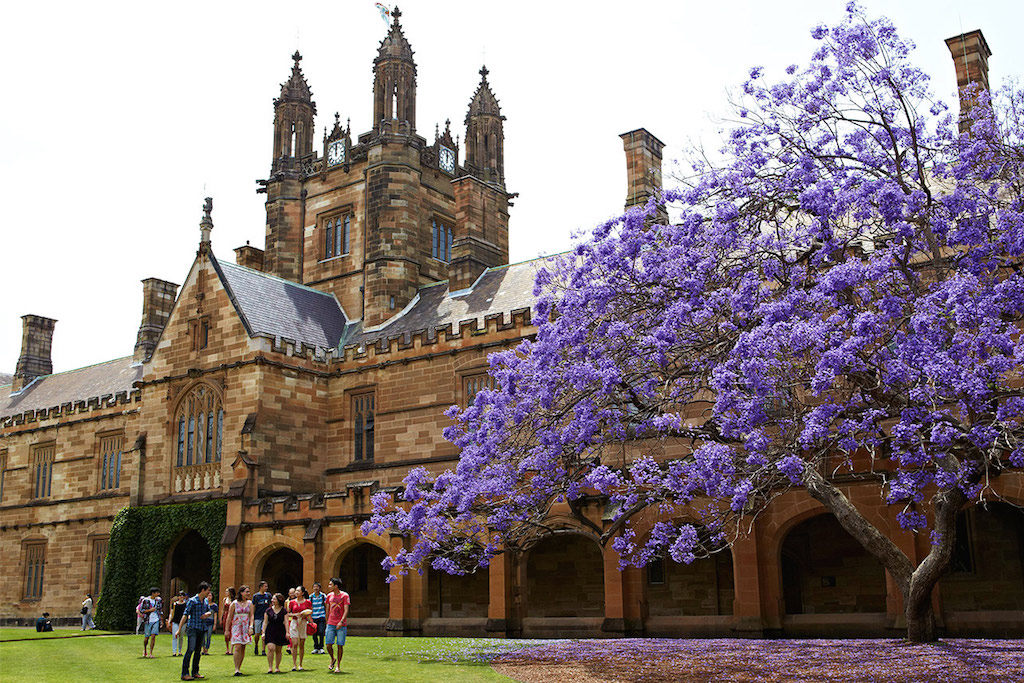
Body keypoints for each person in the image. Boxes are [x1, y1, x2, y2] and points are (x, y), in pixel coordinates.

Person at [179, 580, 213, 681]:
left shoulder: (205, 601)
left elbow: (208, 612)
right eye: (208, 591)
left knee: (198, 651)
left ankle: (195, 672)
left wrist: (207, 614)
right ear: (202, 590)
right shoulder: (192, 601)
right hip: (193, 628)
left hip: (202, 628)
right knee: (190, 650)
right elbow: (185, 614)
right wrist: (179, 629)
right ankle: (185, 673)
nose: (209, 593)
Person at [226, 584, 254, 676]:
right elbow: (229, 617)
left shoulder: (250, 603)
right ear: (241, 593)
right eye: (246, 592)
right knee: (237, 646)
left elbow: (252, 616)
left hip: (245, 627)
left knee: (243, 647)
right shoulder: (234, 604)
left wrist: (251, 626)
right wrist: (227, 630)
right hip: (236, 627)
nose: (248, 593)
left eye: (249, 592)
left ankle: (239, 667)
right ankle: (236, 669)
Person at [324, 577, 350, 674]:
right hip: (331, 623)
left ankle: (338, 666)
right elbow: (327, 609)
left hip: (341, 625)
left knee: (340, 645)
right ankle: (332, 659)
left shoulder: (345, 596)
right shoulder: (329, 596)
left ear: (336, 586)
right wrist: (327, 621)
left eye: (330, 584)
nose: (329, 586)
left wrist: (341, 621)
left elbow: (346, 610)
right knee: (328, 644)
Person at [260, 593, 288, 674]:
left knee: (278, 650)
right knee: (271, 648)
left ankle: (277, 667)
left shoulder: (284, 611)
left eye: (274, 599)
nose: (272, 600)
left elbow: (286, 622)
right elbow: (265, 622)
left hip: (280, 631)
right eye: (272, 599)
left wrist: (287, 632)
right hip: (270, 631)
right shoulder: (268, 610)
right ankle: (270, 667)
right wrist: (263, 632)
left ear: (279, 600)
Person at [287, 586, 312, 671]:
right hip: (294, 622)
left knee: (302, 644)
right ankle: (294, 664)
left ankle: (300, 664)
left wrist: (310, 621)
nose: (296, 592)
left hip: (303, 623)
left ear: (303, 593)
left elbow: (309, 613)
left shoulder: (308, 602)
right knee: (294, 643)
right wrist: (295, 615)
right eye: (296, 591)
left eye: (298, 591)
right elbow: (287, 613)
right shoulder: (292, 602)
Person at [141, 586, 162, 658]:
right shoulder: (145, 600)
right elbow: (142, 610)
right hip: (148, 620)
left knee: (153, 636)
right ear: (153, 593)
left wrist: (161, 620)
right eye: (157, 593)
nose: (158, 594)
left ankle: (151, 653)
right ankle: (145, 649)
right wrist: (149, 610)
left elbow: (160, 611)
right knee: (147, 637)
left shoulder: (158, 600)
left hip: (156, 619)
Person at [251, 580, 271, 657]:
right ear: (261, 587)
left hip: (265, 617)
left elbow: (270, 606)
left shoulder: (268, 595)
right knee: (257, 634)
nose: (267, 588)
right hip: (257, 617)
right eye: (265, 586)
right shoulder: (256, 596)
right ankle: (256, 645)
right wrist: (252, 616)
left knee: (264, 633)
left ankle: (263, 650)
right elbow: (253, 607)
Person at [167, 591, 187, 656]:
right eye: (180, 596)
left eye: (182, 596)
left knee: (181, 636)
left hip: (183, 622)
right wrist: (169, 621)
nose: (181, 597)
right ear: (178, 597)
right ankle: (174, 651)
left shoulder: (186, 604)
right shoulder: (174, 604)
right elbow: (171, 613)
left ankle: (180, 651)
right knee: (174, 636)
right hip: (175, 621)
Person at [309, 582, 327, 654]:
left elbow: (326, 605)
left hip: (321, 616)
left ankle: (321, 647)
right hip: (314, 617)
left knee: (321, 631)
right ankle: (316, 647)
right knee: (314, 632)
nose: (316, 588)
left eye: (317, 587)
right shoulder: (311, 597)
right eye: (314, 587)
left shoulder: (323, 596)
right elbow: (309, 607)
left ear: (319, 588)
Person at [222, 587, 236, 654]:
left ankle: (231, 649)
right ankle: (227, 648)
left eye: (227, 591)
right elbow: (223, 609)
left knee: (232, 631)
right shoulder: (225, 599)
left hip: (232, 616)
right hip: (226, 615)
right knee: (226, 631)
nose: (226, 593)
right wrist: (222, 617)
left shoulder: (234, 600)